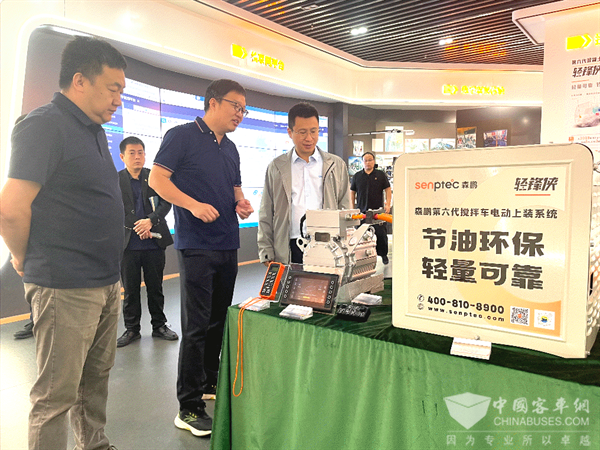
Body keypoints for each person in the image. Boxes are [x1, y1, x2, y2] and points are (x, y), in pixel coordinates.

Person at [0, 36, 126, 450]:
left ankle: (94, 444)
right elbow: (10, 209)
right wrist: (23, 259)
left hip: (104, 281)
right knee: (56, 396)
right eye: (113, 88)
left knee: (94, 381)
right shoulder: (44, 125)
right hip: (64, 285)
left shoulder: (94, 131)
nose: (118, 100)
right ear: (80, 81)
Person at [149, 79, 254, 437]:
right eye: (236, 106)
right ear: (213, 102)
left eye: (244, 109)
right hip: (196, 245)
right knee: (195, 325)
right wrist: (192, 205)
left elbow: (235, 187)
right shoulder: (181, 136)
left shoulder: (232, 148)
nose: (240, 114)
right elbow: (157, 180)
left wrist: (241, 203)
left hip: (227, 242)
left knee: (218, 321)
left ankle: (209, 381)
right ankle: (188, 407)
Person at [257, 102, 350, 265]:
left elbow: (345, 208)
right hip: (289, 245)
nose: (309, 138)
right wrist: (266, 250)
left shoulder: (336, 165)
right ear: (290, 132)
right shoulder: (277, 167)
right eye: (302, 132)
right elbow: (266, 211)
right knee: (291, 282)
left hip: (328, 245)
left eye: (313, 131)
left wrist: (347, 244)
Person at [116, 136, 178, 347]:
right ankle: (132, 329)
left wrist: (150, 221)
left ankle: (159, 326)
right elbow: (115, 208)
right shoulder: (115, 180)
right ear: (122, 156)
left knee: (155, 287)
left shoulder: (154, 178)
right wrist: (139, 226)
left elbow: (166, 202)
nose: (137, 157)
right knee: (130, 290)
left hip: (154, 243)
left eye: (140, 152)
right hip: (128, 245)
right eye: (132, 153)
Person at [350, 151, 392, 264]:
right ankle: (360, 257)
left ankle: (383, 255)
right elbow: (352, 192)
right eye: (366, 160)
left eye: (370, 160)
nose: (368, 162)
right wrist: (352, 208)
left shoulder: (380, 175)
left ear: (374, 161)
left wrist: (388, 204)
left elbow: (388, 189)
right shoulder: (357, 176)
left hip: (378, 212)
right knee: (360, 235)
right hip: (361, 212)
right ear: (362, 162)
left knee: (381, 235)